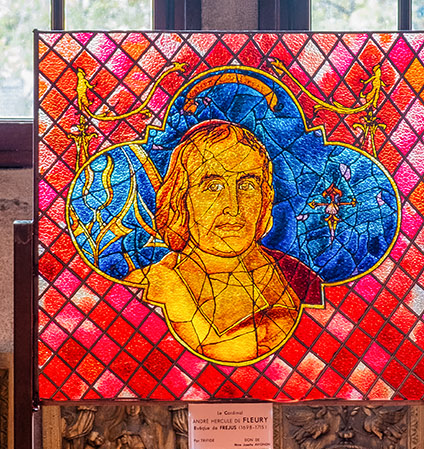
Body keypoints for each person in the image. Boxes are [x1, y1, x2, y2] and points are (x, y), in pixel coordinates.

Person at [127, 121, 322, 364]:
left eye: (247, 185)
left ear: (265, 199)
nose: (233, 206)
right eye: (213, 186)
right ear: (181, 198)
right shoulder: (146, 287)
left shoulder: (298, 278)